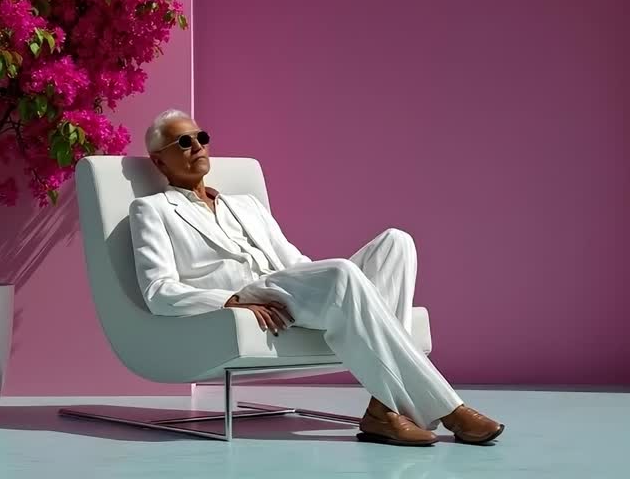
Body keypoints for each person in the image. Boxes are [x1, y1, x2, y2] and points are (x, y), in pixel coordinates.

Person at [127, 109, 504, 446]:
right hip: (248, 295)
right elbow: (158, 290)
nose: (198, 146)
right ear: (160, 162)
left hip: (288, 284)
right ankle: (448, 408)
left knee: (396, 243)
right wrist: (229, 300)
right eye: (184, 142)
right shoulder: (152, 210)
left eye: (201, 138)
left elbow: (294, 260)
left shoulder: (245, 205)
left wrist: (325, 281)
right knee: (341, 272)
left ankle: (384, 410)